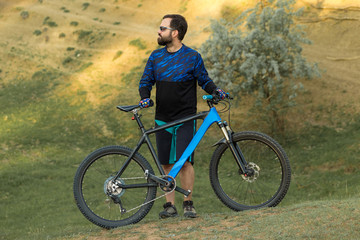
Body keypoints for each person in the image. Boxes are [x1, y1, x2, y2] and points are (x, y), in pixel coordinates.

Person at [138, 14, 226, 219]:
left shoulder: (192, 57)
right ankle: (169, 206)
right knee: (167, 163)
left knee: (185, 162)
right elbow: (145, 81)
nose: (159, 32)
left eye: (162, 28)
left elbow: (204, 80)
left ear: (175, 33)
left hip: (186, 118)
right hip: (162, 118)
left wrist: (216, 91)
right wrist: (144, 97)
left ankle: (188, 202)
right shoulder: (155, 57)